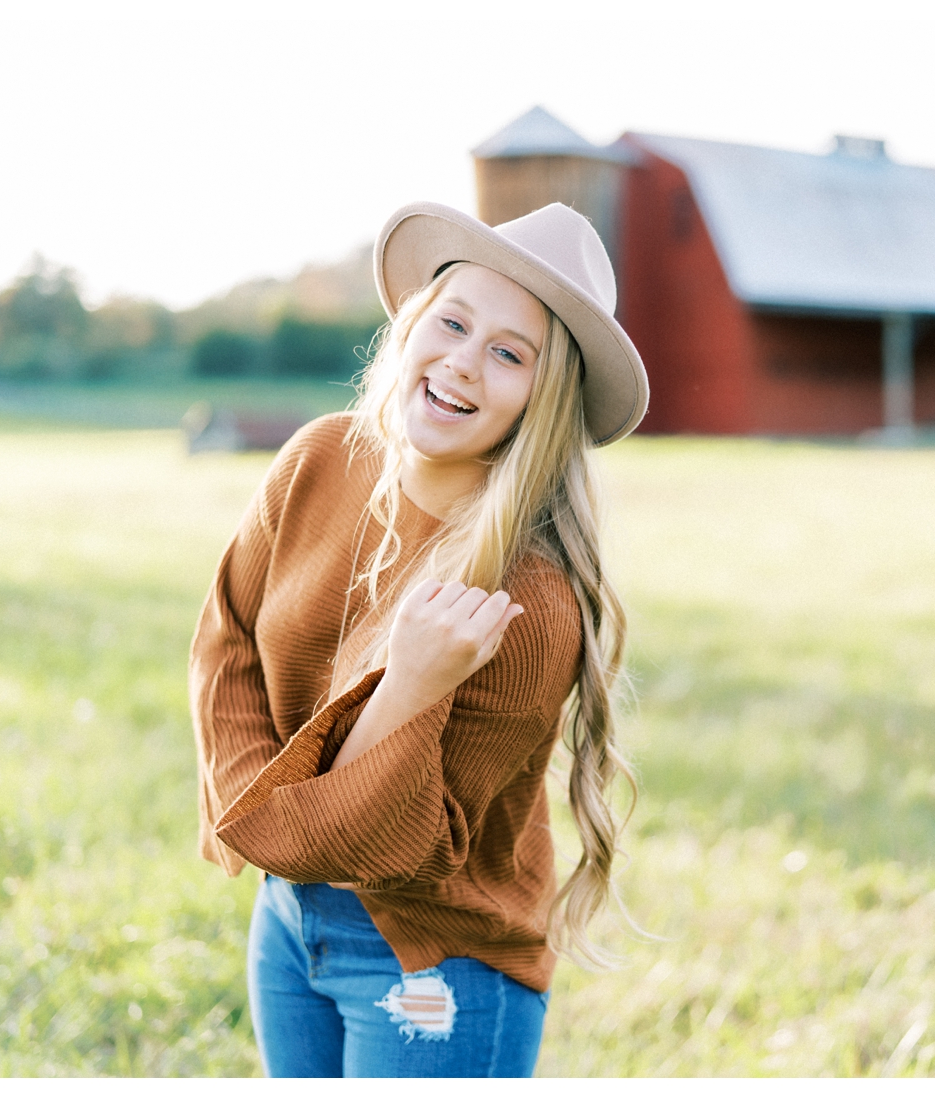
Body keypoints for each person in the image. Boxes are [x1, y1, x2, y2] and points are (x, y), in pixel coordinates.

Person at [188, 200, 649, 1078]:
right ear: (410, 327)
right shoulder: (318, 458)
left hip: (433, 964)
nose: (462, 362)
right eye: (454, 322)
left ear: (540, 403)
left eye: (510, 355)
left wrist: (411, 685)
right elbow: (229, 637)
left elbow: (397, 845)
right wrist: (255, 808)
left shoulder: (526, 602)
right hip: (287, 922)